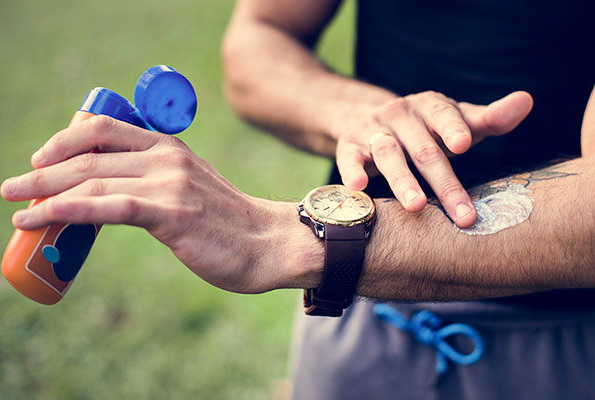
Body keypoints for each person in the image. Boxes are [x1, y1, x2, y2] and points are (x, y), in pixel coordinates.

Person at [0, 0, 594, 398]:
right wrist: (347, 108)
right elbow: (260, 34)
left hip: (570, 349)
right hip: (357, 318)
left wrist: (283, 238)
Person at [220, 0, 595, 398]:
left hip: (569, 340)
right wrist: (360, 113)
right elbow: (259, 34)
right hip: (356, 313)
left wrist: (312, 250)